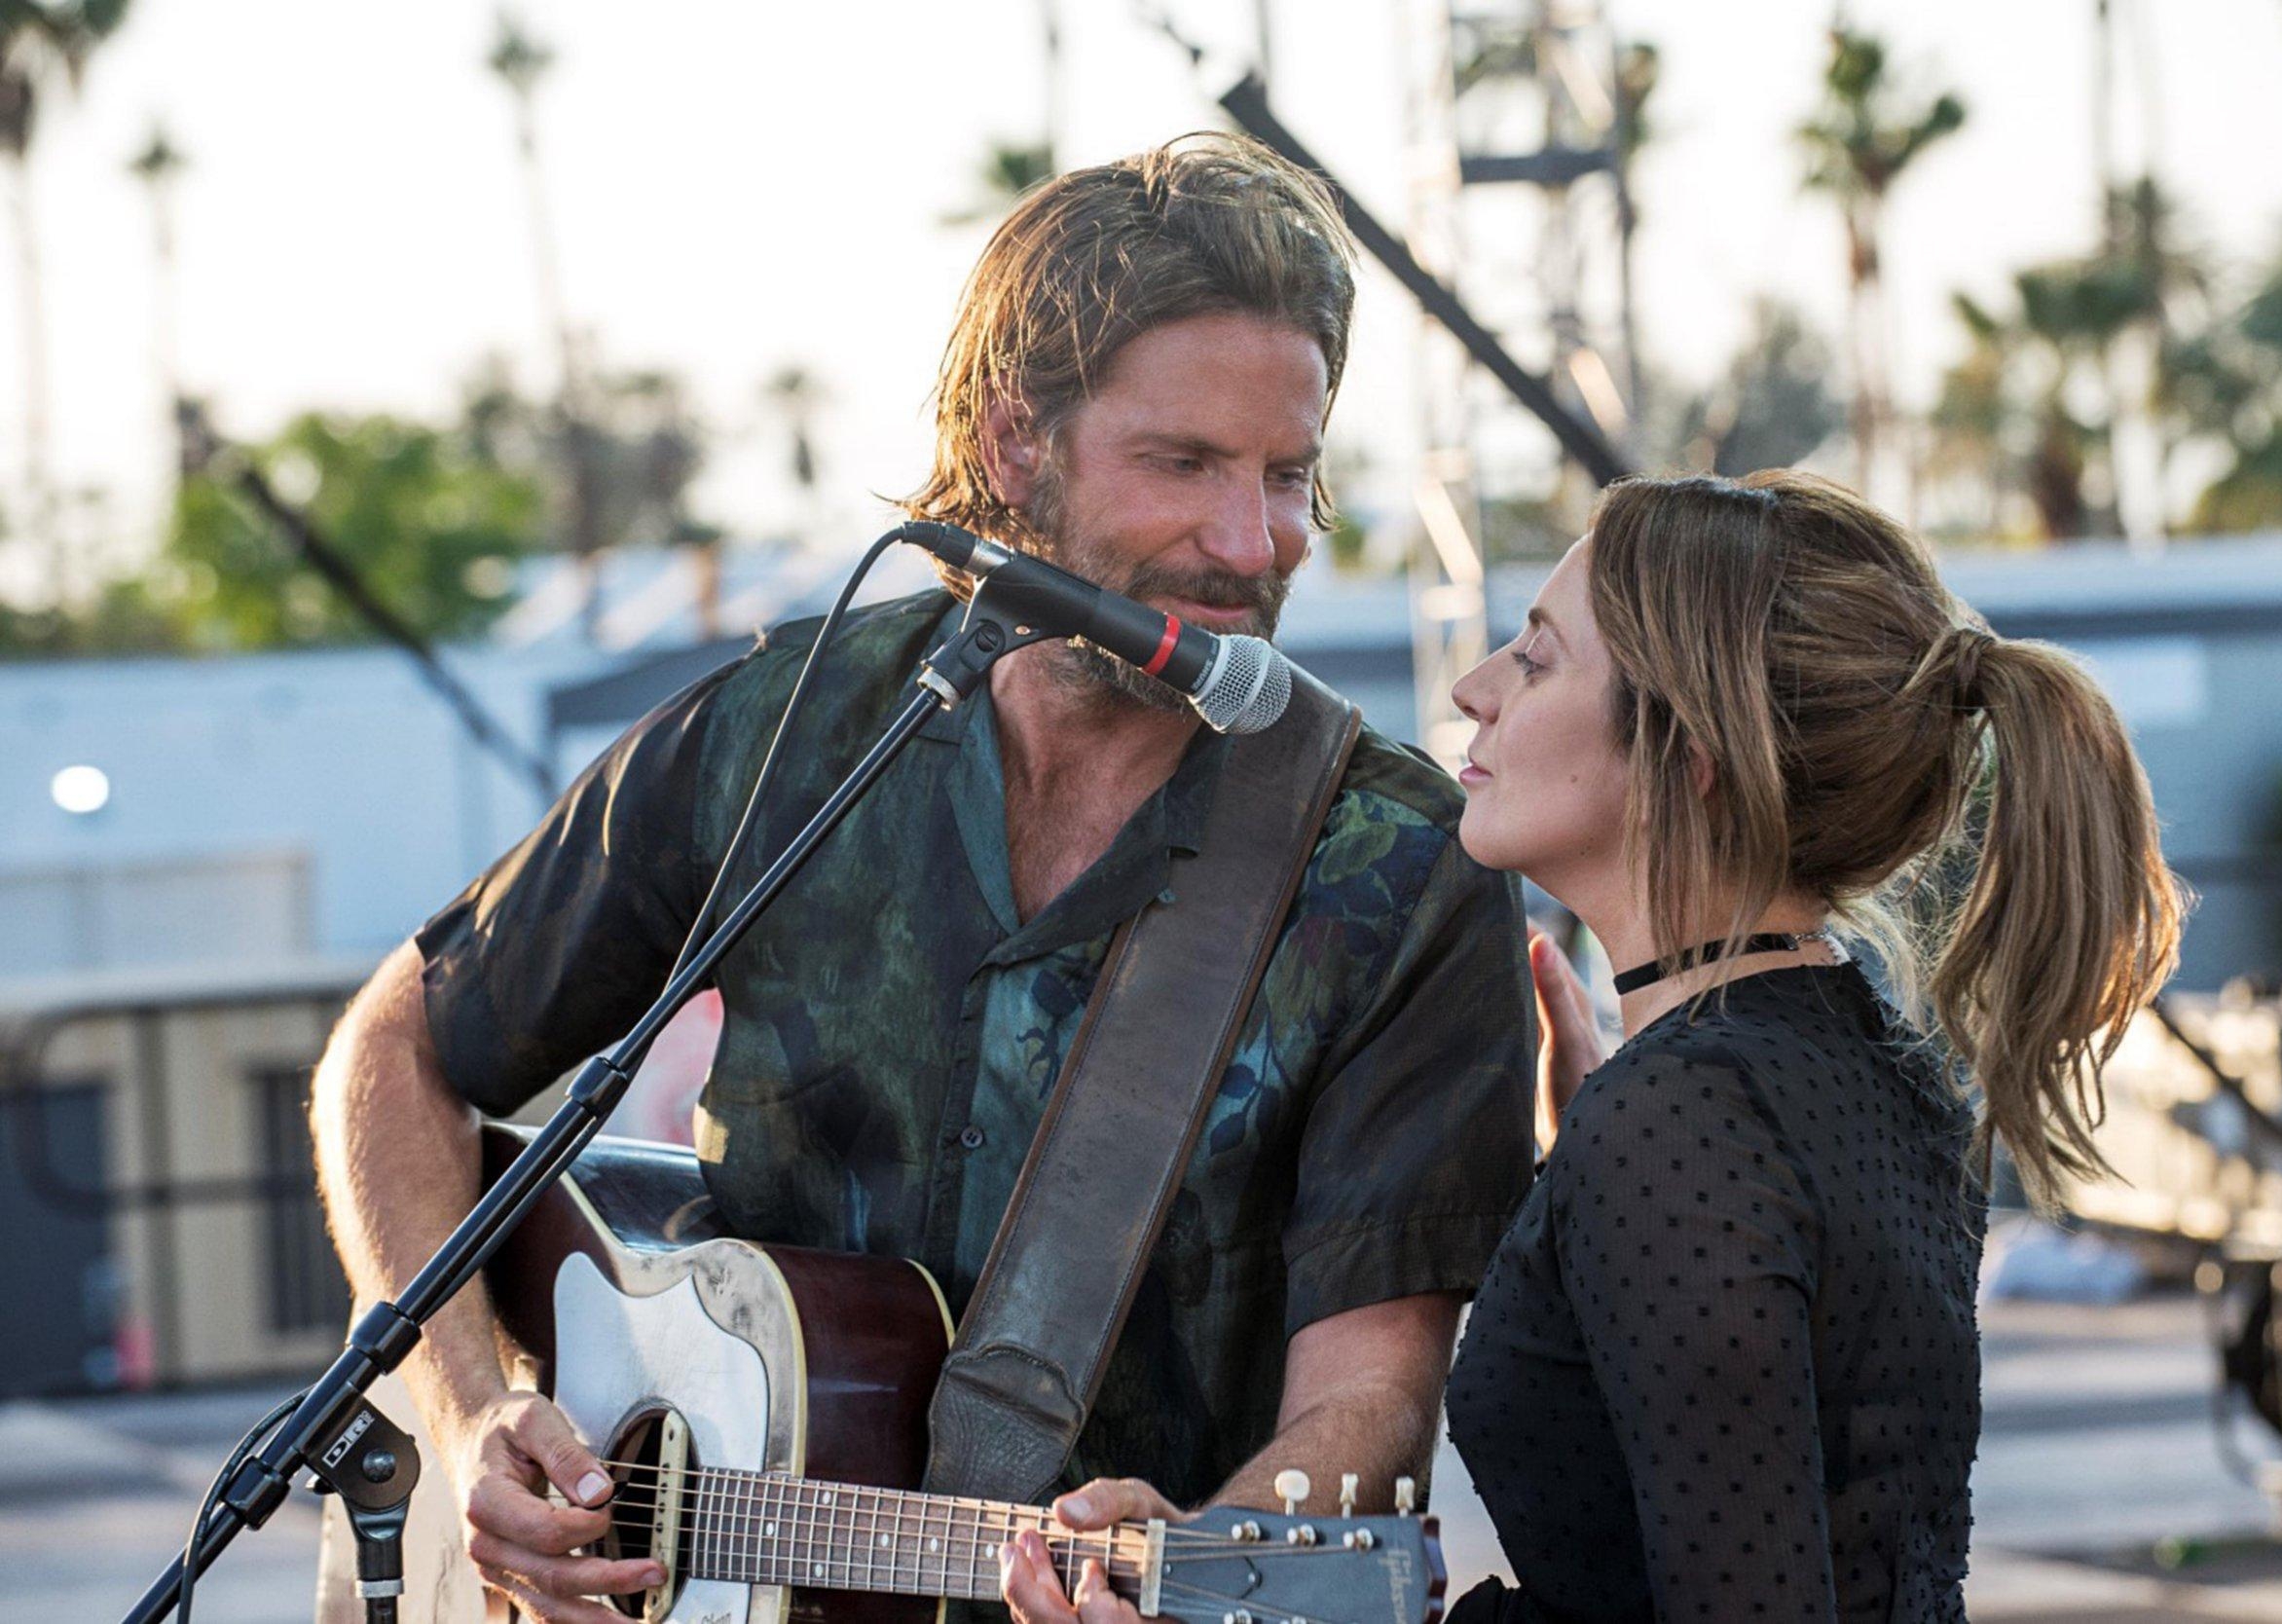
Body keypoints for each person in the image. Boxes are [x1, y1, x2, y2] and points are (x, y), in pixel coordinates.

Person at [309, 133, 1535, 1624]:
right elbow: (400, 1050)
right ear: (1015, 441)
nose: (1249, 541)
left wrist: (1204, 1556)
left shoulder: (1396, 866)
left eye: (1288, 473)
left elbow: (1376, 1414)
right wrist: (466, 1416)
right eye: (1184, 463)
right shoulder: (794, 729)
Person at [1002, 469, 2185, 1623]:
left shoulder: (1684, 1126)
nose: (1473, 689)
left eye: (1535, 655)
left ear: (1688, 757)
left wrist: (1632, 1161)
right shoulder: (1857, 1058)